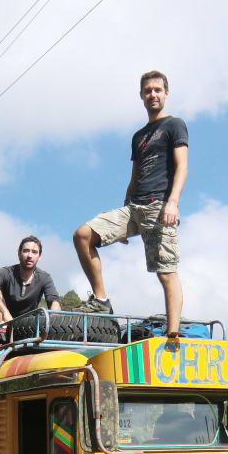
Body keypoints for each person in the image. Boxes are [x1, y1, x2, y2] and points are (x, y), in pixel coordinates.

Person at [73, 70, 188, 336]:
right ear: (141, 96)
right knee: (82, 235)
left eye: (158, 90)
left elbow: (182, 167)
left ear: (166, 93)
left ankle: (172, 333)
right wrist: (125, 215)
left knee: (166, 272)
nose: (153, 95)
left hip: (159, 206)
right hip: (133, 208)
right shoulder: (138, 136)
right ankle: (101, 300)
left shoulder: (174, 125)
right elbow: (135, 175)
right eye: (148, 91)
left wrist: (173, 203)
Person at [0, 235, 62, 328]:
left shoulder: (44, 277)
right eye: (26, 251)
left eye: (34, 252)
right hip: (2, 320)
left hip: (26, 324)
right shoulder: (6, 272)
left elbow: (54, 301)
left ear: (39, 257)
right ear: (19, 253)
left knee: (55, 305)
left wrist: (52, 322)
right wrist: (5, 312)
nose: (29, 256)